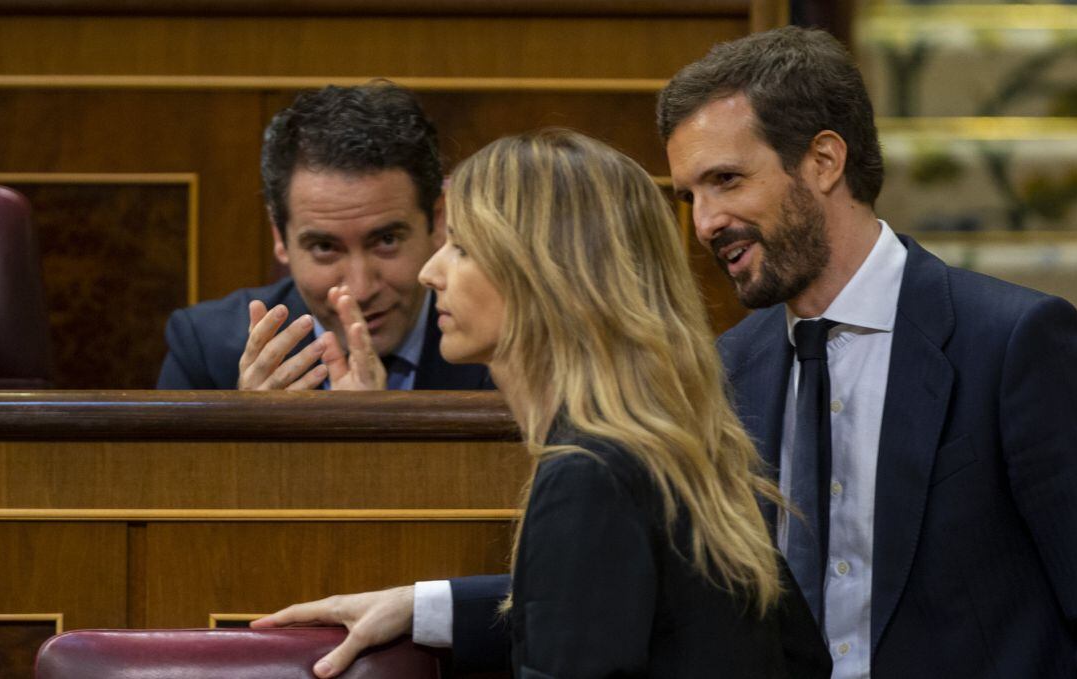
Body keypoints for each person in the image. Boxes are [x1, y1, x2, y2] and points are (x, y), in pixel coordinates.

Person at [252, 129, 832, 679]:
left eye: (461, 247)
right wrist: (422, 606)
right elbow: (797, 657)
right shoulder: (668, 448)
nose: (432, 272)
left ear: (541, 273)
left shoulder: (587, 473)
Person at [658, 26, 1077, 679]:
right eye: (691, 195)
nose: (705, 221)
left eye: (726, 180)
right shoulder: (726, 369)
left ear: (824, 161)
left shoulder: (1015, 342)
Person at [156, 83, 488, 391]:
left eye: (387, 240)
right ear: (280, 237)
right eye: (325, 247)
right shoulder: (206, 350)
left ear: (438, 221)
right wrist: (251, 439)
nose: (358, 291)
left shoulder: (499, 344)